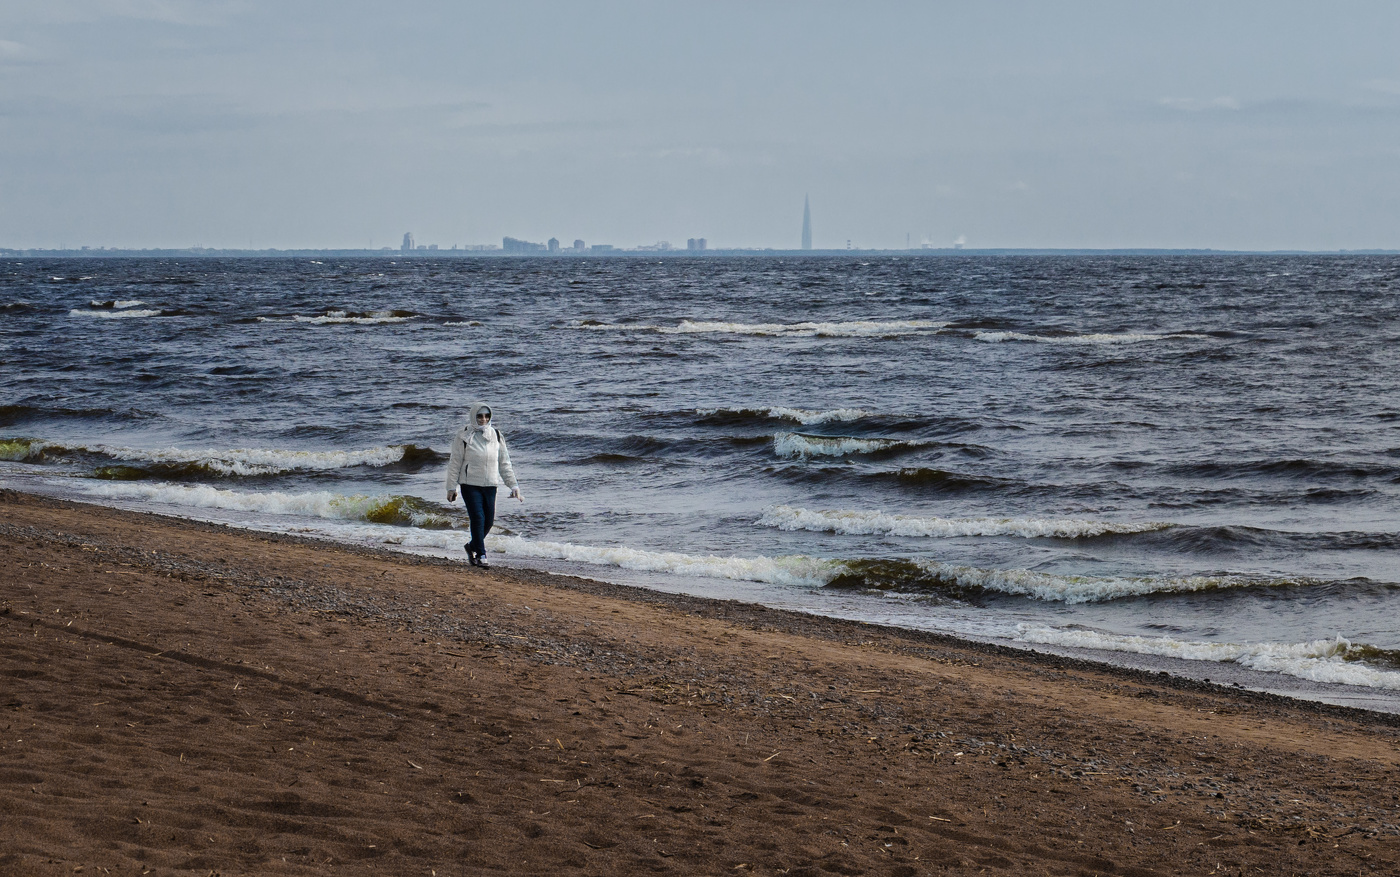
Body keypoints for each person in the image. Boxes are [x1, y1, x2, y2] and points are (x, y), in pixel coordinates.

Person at [444, 402, 521, 567]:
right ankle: (481, 555)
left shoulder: (497, 435)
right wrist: (451, 488)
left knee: (489, 521)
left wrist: (513, 485)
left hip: (491, 485)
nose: (483, 419)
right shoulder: (463, 436)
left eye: (487, 416)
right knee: (477, 518)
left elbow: (504, 463)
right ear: (473, 416)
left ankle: (471, 546)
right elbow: (455, 463)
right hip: (469, 484)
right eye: (480, 416)